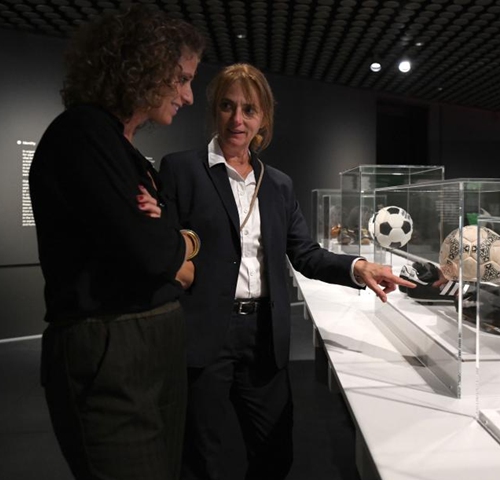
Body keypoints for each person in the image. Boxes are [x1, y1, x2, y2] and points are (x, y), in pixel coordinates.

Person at [158, 63, 415, 480]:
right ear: (213, 111)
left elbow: (306, 253)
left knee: (275, 452)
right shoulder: (181, 170)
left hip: (264, 336)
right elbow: (166, 250)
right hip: (205, 334)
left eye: (249, 109)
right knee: (203, 455)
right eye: (227, 106)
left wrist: (357, 265)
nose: (237, 119)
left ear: (263, 119)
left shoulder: (276, 184)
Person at [28, 6, 204, 480]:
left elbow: (171, 241)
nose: (188, 96)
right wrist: (177, 244)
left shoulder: (120, 147)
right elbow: (150, 254)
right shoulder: (82, 135)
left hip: (145, 349)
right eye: (181, 79)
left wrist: (174, 239)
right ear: (144, 68)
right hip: (111, 351)